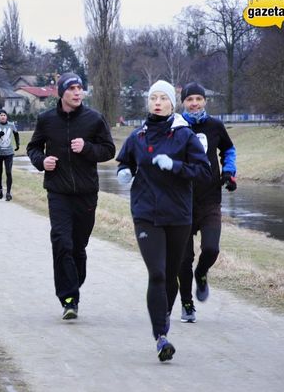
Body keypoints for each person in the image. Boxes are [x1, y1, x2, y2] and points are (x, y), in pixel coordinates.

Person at [116, 80, 211, 362]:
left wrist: (176, 166)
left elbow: (203, 173)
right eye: (153, 98)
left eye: (163, 98)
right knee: (156, 273)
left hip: (179, 215)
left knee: (170, 276)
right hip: (146, 214)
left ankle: (163, 317)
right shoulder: (137, 137)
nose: (157, 102)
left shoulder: (185, 136)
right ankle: (161, 337)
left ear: (172, 103)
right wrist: (123, 173)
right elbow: (125, 162)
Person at [27, 72, 115, 320]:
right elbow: (33, 147)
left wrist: (87, 148)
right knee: (61, 242)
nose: (77, 93)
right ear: (61, 93)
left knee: (78, 247)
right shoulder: (46, 120)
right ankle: (68, 298)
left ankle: (74, 281)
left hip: (87, 193)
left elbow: (109, 150)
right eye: (72, 88)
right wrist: (42, 161)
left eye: (80, 88)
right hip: (58, 192)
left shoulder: (94, 119)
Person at [176, 82, 237, 324]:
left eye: (198, 99)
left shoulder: (215, 126)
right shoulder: (175, 127)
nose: (194, 103)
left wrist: (229, 172)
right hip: (181, 201)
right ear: (183, 102)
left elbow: (228, 149)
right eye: (189, 99)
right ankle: (187, 305)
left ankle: (201, 274)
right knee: (183, 259)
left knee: (211, 249)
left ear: (204, 101)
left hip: (210, 198)